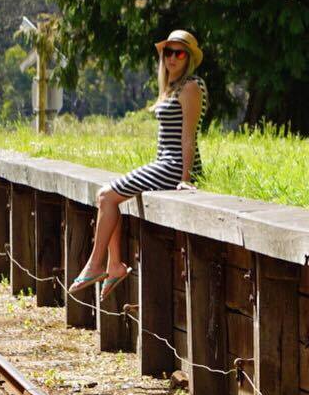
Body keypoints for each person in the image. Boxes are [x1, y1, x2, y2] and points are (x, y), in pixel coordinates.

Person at [70, 30, 207, 302]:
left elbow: (189, 135)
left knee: (106, 196)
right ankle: (113, 265)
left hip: (173, 165)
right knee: (108, 198)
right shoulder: (172, 87)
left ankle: (99, 265)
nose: (171, 58)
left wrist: (186, 177)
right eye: (167, 52)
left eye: (178, 53)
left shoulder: (191, 86)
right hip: (162, 162)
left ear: (189, 57)